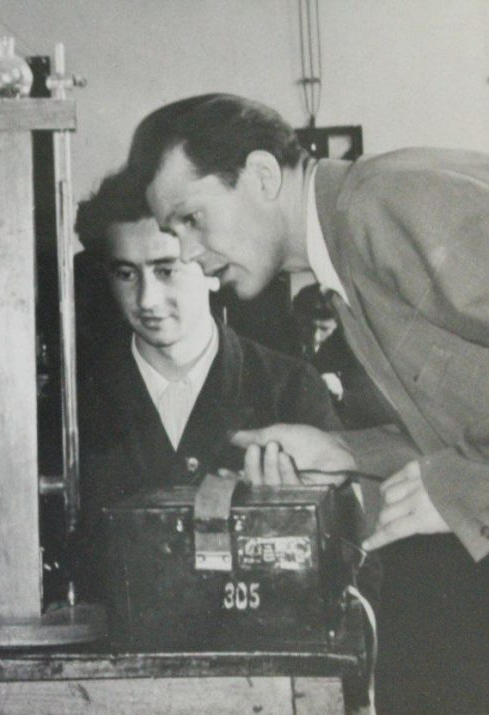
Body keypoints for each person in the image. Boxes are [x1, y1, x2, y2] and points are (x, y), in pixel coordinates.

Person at [124, 93, 489, 713]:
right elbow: (462, 434)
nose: (187, 254)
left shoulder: (383, 206)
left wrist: (468, 490)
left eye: (191, 219)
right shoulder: (348, 253)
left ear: (264, 176)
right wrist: (346, 453)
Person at [71, 170, 341, 595]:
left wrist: (292, 521)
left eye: (166, 270)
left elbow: (351, 558)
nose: (146, 299)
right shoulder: (74, 401)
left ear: (211, 266)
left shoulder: (290, 389)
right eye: (126, 274)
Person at [290, 283, 390, 429]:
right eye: (310, 328)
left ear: (339, 324)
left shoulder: (355, 349)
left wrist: (341, 392)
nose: (316, 336)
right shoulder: (300, 349)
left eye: (324, 328)